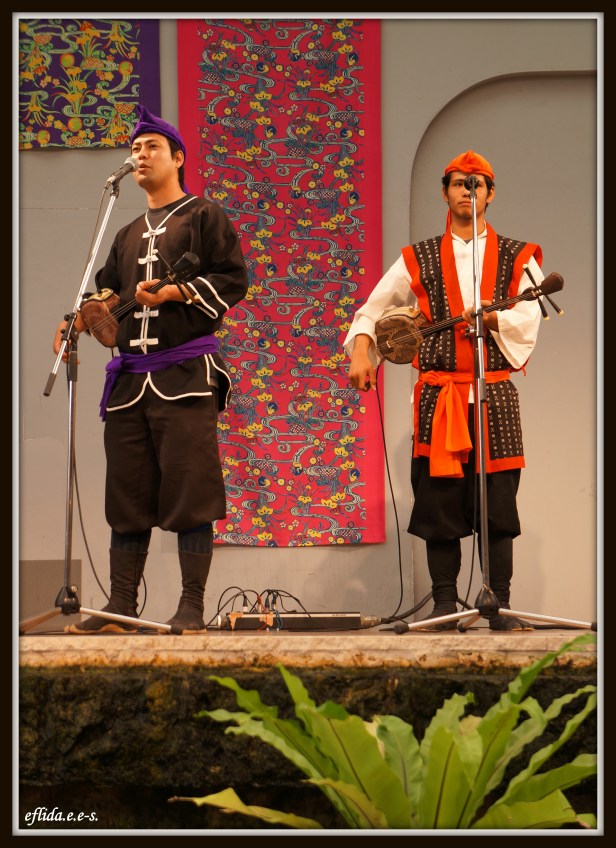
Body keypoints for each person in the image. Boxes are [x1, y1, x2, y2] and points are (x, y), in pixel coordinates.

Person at [53, 104, 249, 634]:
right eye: (135, 149)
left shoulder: (203, 216)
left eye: (151, 148)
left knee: (190, 490)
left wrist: (175, 292)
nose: (139, 156)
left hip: (185, 377)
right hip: (129, 383)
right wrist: (80, 320)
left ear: (177, 158)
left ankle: (190, 605)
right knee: (127, 495)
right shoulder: (125, 233)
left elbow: (234, 281)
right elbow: (109, 299)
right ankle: (120, 604)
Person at [345, 150, 544, 631]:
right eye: (458, 183)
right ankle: (444, 604)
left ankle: (500, 606)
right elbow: (372, 308)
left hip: (493, 396)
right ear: (445, 191)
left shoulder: (519, 255)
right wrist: (360, 350)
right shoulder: (419, 257)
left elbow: (530, 315)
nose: (467, 191)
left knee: (497, 504)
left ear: (490, 194)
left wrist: (493, 315)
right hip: (440, 398)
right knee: (439, 502)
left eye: (477, 184)